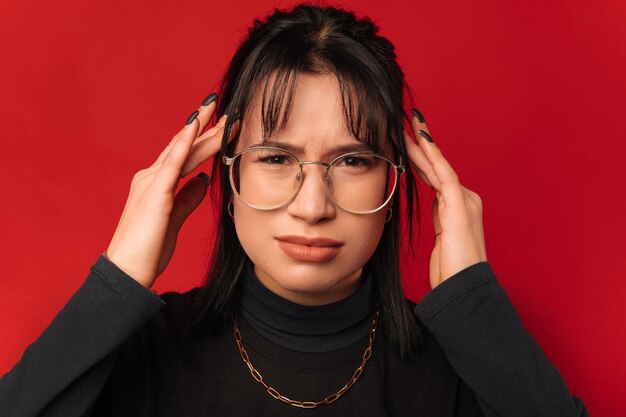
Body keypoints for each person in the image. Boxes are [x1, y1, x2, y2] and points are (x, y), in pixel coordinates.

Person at [0, 4, 589, 416]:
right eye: (276, 157)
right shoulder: (137, 352)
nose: (312, 206)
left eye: (354, 161)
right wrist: (121, 274)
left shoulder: (465, 366)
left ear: (399, 175)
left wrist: (474, 303)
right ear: (228, 175)